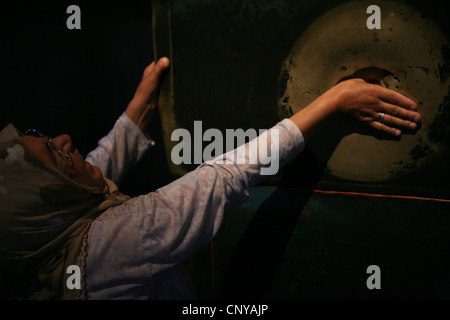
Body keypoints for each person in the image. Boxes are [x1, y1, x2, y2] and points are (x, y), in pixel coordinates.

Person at [0, 57, 421, 299]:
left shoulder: (47, 241)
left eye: (41, 137)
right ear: (44, 204)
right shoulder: (108, 249)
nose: (64, 139)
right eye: (54, 156)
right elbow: (221, 179)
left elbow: (96, 166)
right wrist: (336, 100)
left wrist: (140, 106)